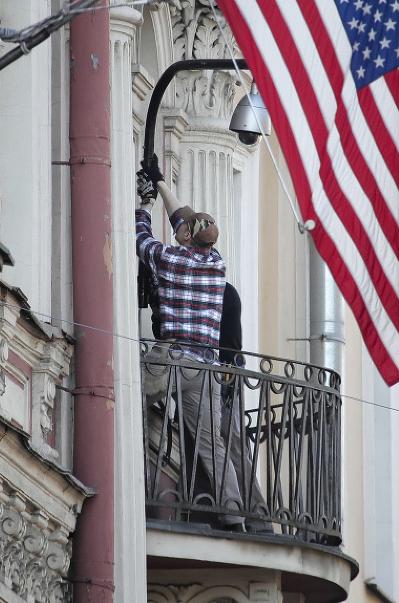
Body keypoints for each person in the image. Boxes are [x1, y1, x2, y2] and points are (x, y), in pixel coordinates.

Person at [135, 161, 247, 530]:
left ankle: (117, 468)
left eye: (183, 229)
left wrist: (145, 205)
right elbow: (183, 218)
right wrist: (162, 182)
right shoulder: (216, 263)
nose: (180, 227)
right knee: (211, 446)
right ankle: (234, 514)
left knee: (122, 398)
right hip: (206, 371)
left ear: (186, 238)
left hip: (171, 361)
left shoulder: (171, 260)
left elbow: (141, 241)